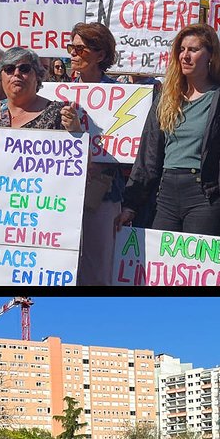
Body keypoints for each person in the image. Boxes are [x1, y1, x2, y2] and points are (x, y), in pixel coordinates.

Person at [116, 24, 220, 278]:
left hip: (203, 196)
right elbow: (148, 156)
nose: (185, 56)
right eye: (182, 50)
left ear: (210, 56)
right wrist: (130, 205)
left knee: (196, 274)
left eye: (194, 50)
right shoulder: (166, 97)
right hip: (164, 196)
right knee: (157, 272)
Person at [65, 22, 128, 285]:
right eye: (71, 47)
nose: (72, 54)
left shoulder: (123, 96)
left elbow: (128, 154)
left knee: (99, 270)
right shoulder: (58, 92)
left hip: (102, 195)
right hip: (64, 194)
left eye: (80, 49)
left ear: (100, 55)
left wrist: (81, 134)